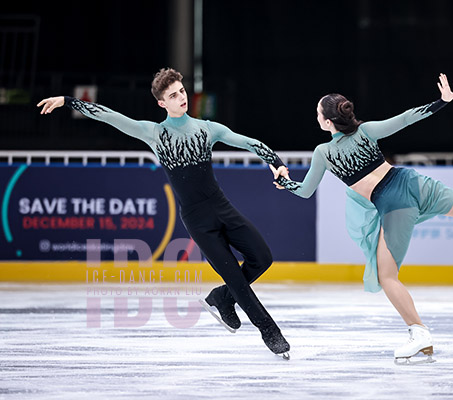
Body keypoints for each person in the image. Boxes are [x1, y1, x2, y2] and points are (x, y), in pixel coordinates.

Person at [272, 73, 453, 364]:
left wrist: (283, 180)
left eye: (317, 114)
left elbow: (305, 191)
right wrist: (441, 102)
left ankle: (420, 334)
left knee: (385, 276)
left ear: (326, 120)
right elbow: (406, 118)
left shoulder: (324, 152)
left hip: (393, 203)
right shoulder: (367, 131)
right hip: (412, 181)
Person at [38, 68, 291, 358]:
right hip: (197, 220)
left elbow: (248, 142)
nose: (181, 98)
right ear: (162, 103)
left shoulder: (207, 129)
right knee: (235, 278)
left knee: (263, 258)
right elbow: (109, 116)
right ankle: (270, 332)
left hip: (222, 208)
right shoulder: (154, 134)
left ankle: (221, 297)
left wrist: (276, 162)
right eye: (173, 95)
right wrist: (67, 101)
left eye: (181, 91)